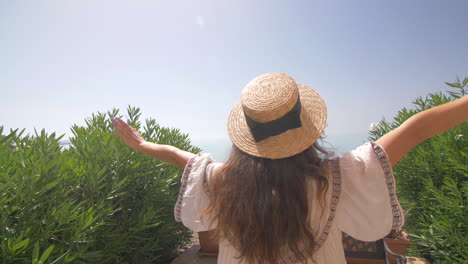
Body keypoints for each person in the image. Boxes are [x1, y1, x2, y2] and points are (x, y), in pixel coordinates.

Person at [112, 73, 467, 263]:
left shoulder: (222, 179)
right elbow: (416, 128)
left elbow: (180, 156)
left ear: (247, 134)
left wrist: (142, 145)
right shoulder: (335, 178)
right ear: (307, 129)